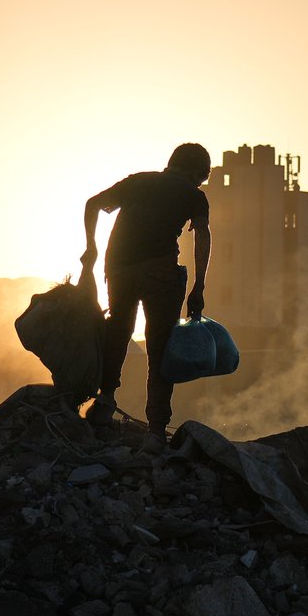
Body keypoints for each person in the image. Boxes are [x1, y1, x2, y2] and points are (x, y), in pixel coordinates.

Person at [81, 143, 211, 452]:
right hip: (160, 272)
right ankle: (155, 431)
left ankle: (105, 403)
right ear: (196, 172)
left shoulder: (137, 181)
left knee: (117, 332)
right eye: (202, 178)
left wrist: (91, 247)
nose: (200, 183)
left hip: (119, 269)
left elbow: (93, 204)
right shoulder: (193, 195)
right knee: (160, 347)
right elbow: (202, 235)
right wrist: (199, 286)